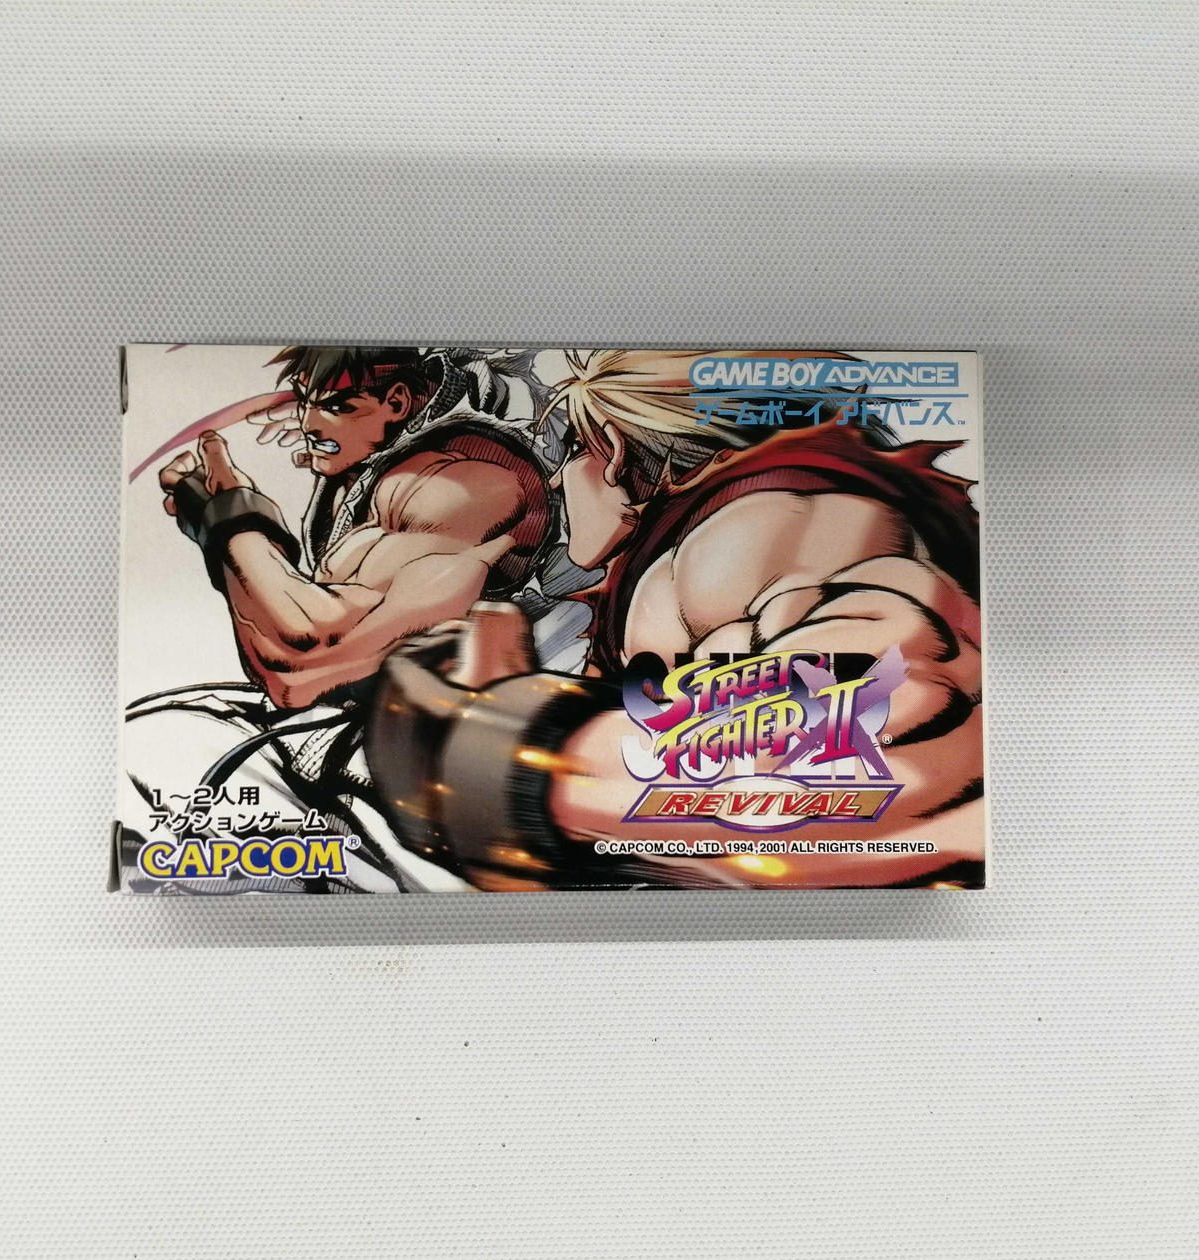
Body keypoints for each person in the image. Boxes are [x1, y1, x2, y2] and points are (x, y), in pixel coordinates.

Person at [363, 349, 984, 889]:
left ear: (610, 451)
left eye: (573, 449)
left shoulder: (763, 534)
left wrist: (509, 754)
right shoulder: (732, 536)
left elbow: (867, 770)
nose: (556, 476)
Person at [121, 346, 579, 892]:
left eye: (337, 406)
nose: (310, 424)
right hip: (362, 742)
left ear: (398, 402)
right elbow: (289, 658)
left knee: (161, 756)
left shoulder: (471, 483)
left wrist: (229, 520)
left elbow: (308, 654)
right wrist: (229, 524)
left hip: (447, 780)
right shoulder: (374, 469)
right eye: (306, 403)